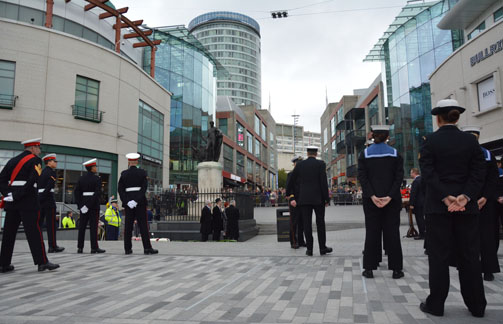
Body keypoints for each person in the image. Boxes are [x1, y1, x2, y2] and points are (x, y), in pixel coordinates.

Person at [418, 99, 486, 318]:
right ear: (457, 118)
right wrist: (465, 197)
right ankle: (477, 306)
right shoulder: (470, 141)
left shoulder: (430, 141)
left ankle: (436, 305)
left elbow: (428, 173)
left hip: (439, 209)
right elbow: (478, 173)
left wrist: (446, 197)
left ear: (438, 118)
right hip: (467, 208)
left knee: (438, 257)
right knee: (469, 256)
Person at [0, 138, 59, 272]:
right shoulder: (35, 160)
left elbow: (1, 180)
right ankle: (42, 262)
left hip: (12, 203)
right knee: (34, 232)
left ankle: (3, 263)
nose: (39, 151)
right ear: (33, 148)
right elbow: (33, 179)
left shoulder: (12, 161)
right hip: (27, 201)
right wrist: (17, 195)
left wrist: (9, 194)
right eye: (39, 148)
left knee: (9, 233)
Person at [357, 125, 404, 279]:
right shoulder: (396, 154)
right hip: (392, 200)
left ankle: (369, 268)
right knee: (393, 233)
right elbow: (399, 178)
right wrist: (390, 196)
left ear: (373, 135)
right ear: (387, 136)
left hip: (371, 201)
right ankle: (396, 269)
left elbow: (362, 178)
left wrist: (372, 195)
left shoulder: (364, 154)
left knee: (372, 232)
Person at [460, 126, 500, 282]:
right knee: (483, 236)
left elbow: (492, 178)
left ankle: (479, 267)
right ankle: (484, 269)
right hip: (479, 200)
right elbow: (493, 179)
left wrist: (481, 197)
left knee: (475, 236)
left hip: (470, 200)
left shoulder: (465, 154)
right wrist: (484, 197)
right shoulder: (487, 154)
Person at [287, 146, 332, 256]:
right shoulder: (321, 164)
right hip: (318, 199)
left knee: (307, 224)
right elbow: (323, 182)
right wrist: (326, 199)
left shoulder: (300, 165)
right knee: (320, 223)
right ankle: (322, 248)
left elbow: (291, 181)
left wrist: (290, 195)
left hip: (304, 199)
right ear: (316, 154)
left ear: (307, 153)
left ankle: (310, 249)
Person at [118, 153, 158, 255]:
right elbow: (143, 188)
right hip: (139, 202)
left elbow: (120, 190)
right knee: (143, 225)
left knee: (128, 226)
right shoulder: (142, 173)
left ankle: (127, 249)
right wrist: (136, 200)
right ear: (136, 162)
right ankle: (147, 248)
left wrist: (127, 201)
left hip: (128, 203)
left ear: (129, 162)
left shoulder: (124, 174)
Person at [74, 158, 105, 254]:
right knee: (93, 227)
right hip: (93, 206)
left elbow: (76, 192)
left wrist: (81, 205)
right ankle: (94, 248)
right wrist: (88, 205)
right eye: (95, 166)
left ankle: (80, 247)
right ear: (92, 168)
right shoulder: (97, 179)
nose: (96, 168)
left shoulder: (81, 178)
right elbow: (97, 193)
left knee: (82, 227)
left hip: (83, 205)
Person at [38, 153, 64, 253]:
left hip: (40, 200)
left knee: (39, 223)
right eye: (54, 161)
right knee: (51, 224)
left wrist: (39, 198)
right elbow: (49, 187)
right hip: (48, 199)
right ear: (49, 162)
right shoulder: (52, 173)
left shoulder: (41, 172)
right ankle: (52, 246)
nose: (56, 163)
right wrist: (43, 197)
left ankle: (40, 245)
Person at [286, 156, 305, 249]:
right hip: (294, 201)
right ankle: (293, 241)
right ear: (294, 164)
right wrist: (292, 198)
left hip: (303, 201)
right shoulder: (291, 174)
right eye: (298, 163)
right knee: (294, 222)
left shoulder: (304, 174)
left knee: (302, 222)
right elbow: (289, 189)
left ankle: (301, 241)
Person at [409, 168, 426, 240]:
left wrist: (411, 204)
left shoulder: (416, 181)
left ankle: (422, 234)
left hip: (418, 204)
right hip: (423, 202)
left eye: (411, 173)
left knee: (419, 219)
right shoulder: (422, 179)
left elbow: (413, 194)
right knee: (422, 218)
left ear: (414, 173)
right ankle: (424, 233)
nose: (410, 174)